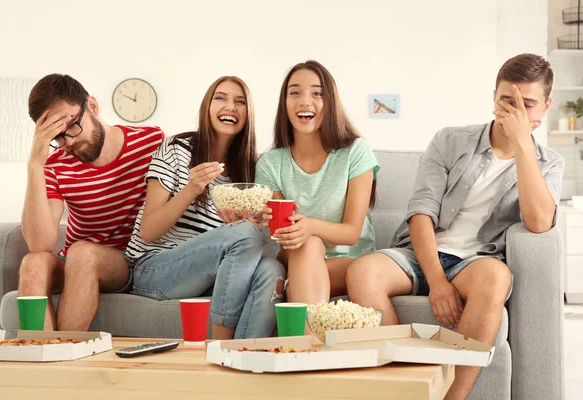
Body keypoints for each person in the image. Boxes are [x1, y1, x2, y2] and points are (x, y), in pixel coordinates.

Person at [346, 53, 565, 400]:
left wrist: (524, 144)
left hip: (476, 262)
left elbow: (538, 222)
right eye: (507, 100)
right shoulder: (450, 140)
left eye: (527, 104)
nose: (515, 111)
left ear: (545, 107)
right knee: (362, 273)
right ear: (494, 97)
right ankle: (407, 386)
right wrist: (436, 282)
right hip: (420, 253)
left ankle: (450, 398)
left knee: (497, 278)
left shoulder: (549, 163)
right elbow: (421, 214)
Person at [126, 76, 285, 340]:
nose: (230, 107)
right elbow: (148, 231)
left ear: (249, 114)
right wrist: (191, 189)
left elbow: (237, 246)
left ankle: (247, 354)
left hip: (210, 276)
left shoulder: (247, 170)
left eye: (240, 102)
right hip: (152, 270)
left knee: (273, 270)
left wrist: (247, 223)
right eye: (220, 98)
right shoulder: (176, 149)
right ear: (207, 106)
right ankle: (220, 348)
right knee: (246, 234)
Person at [19, 74, 165, 331]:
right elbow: (40, 244)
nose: (70, 141)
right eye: (58, 137)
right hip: (75, 261)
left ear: (93, 107)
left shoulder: (151, 143)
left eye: (73, 125)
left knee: (82, 253)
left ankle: (66, 354)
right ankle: (38, 357)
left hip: (126, 262)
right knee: (33, 263)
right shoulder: (54, 165)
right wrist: (35, 164)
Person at [256, 60, 380, 305]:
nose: (304, 101)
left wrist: (310, 226)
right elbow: (282, 235)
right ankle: (308, 338)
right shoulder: (270, 164)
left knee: (309, 243)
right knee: (307, 245)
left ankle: (301, 340)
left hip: (349, 262)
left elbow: (352, 233)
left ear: (330, 102)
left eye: (317, 93)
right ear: (285, 104)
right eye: (295, 93)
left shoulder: (356, 152)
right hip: (296, 256)